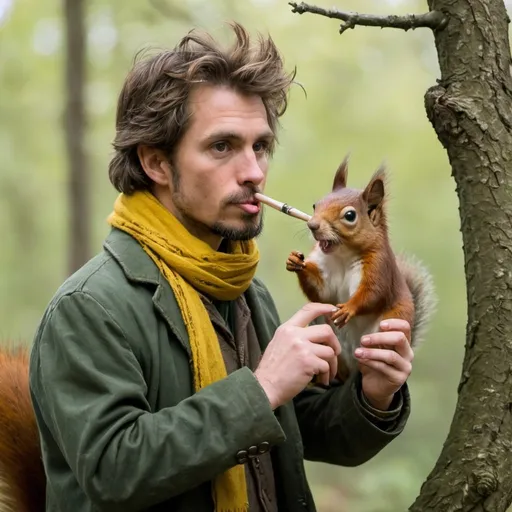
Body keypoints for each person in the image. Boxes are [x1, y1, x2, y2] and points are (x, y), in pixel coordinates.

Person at [29, 22, 413, 512]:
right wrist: (260, 388)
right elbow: (113, 470)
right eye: (222, 146)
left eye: (260, 146)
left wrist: (373, 394)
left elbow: (298, 432)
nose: (253, 172)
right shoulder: (88, 308)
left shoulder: (246, 292)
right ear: (156, 163)